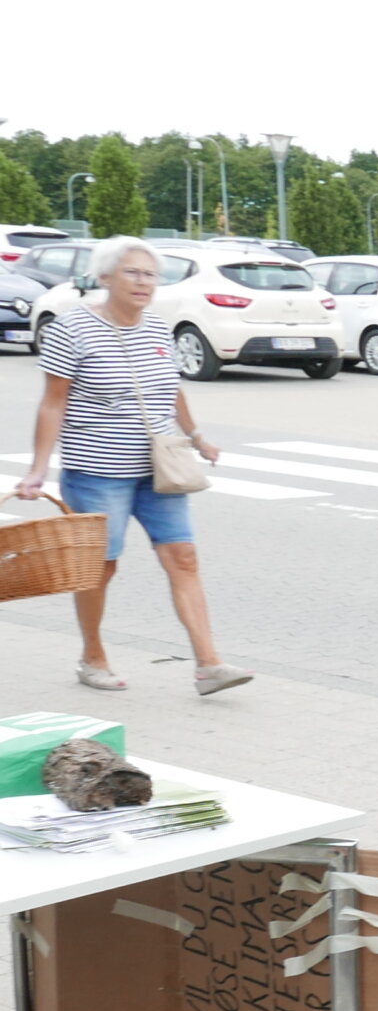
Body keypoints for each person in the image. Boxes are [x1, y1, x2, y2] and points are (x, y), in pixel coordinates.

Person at [13, 236, 250, 695]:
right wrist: (38, 468)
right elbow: (52, 403)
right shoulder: (71, 328)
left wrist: (197, 436)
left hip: (160, 469)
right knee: (100, 567)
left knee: (183, 557)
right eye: (132, 273)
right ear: (104, 277)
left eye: (150, 274)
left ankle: (208, 664)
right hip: (98, 470)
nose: (144, 283)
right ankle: (91, 656)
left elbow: (169, 390)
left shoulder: (158, 329)